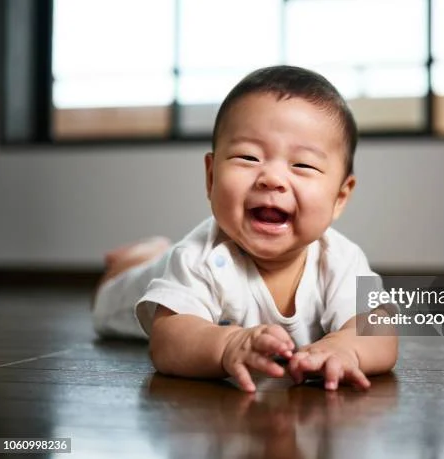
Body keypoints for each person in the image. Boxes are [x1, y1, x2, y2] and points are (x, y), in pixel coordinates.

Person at [92, 65, 398, 392]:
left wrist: (345, 347)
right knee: (112, 295)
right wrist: (228, 344)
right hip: (134, 293)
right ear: (211, 177)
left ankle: (153, 250)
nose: (272, 179)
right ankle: (136, 258)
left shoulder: (339, 259)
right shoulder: (198, 257)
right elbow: (168, 340)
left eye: (303, 165)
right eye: (248, 157)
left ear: (339, 197)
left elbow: (378, 329)